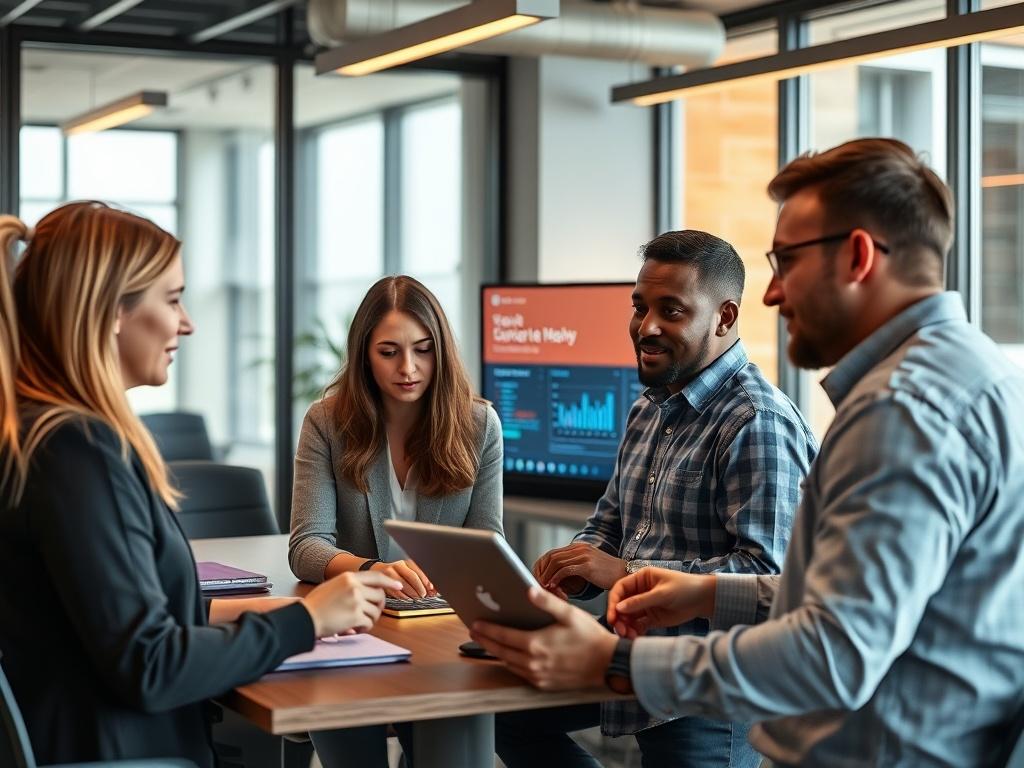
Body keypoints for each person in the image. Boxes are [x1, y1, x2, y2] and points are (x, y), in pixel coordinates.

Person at [471, 139, 1024, 767]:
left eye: (786, 262)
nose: (773, 294)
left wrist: (617, 660)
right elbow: (838, 599)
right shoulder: (975, 375)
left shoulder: (901, 411)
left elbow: (831, 653)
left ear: (858, 256)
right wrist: (702, 593)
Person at [0, 202, 401, 768]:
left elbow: (110, 618)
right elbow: (151, 665)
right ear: (110, 311)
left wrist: (267, 612)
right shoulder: (77, 452)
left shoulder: (37, 434)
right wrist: (307, 621)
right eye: (171, 300)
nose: (186, 323)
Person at [494, 230, 817, 768]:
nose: (646, 326)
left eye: (671, 310)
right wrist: (575, 565)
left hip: (709, 686)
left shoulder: (757, 421)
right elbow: (611, 522)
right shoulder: (649, 407)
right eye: (639, 306)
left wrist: (624, 571)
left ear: (725, 318)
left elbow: (769, 575)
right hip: (631, 648)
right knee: (504, 714)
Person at [288, 274, 504, 767]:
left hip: (441, 633)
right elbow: (306, 547)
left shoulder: (479, 425)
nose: (408, 368)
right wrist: (372, 571)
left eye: (423, 350)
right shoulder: (327, 422)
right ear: (365, 354)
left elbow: (486, 544)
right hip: (352, 632)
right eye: (389, 352)